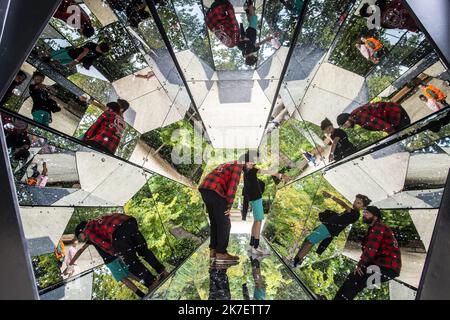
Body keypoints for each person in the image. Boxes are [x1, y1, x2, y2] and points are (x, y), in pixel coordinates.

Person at [72, 213, 168, 293]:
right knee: (143, 250)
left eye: (80, 237)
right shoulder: (95, 221)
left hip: (118, 233)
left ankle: (152, 283)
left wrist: (117, 252)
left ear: (82, 231)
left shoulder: (88, 230)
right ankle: (163, 271)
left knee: (131, 262)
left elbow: (103, 243)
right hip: (129, 222)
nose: (82, 240)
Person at [334, 206, 402, 300]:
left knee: (356, 280)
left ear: (375, 217)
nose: (364, 214)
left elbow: (371, 249)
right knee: (355, 280)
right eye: (364, 212)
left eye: (367, 213)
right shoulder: (375, 227)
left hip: (386, 267)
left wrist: (360, 264)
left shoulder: (379, 227)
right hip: (384, 267)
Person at [199, 154, 254, 264]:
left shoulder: (229, 163)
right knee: (225, 223)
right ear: (247, 162)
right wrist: (228, 206)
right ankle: (221, 253)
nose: (252, 167)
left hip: (205, 188)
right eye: (252, 164)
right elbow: (232, 187)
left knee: (215, 222)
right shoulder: (239, 165)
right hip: (215, 190)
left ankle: (213, 251)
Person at [292, 192, 372, 268]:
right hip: (326, 226)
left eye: (359, 203)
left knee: (310, 242)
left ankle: (296, 261)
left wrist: (331, 196)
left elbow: (343, 204)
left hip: (328, 228)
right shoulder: (351, 212)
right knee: (308, 240)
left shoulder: (356, 214)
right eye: (355, 201)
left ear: (363, 207)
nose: (355, 203)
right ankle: (297, 259)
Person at [243, 159, 289, 255]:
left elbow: (266, 171)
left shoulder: (246, 172)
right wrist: (281, 176)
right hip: (256, 198)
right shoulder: (250, 170)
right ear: (245, 163)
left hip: (254, 198)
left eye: (253, 162)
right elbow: (267, 171)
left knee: (256, 221)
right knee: (259, 221)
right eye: (250, 162)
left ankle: (252, 245)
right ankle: (256, 247)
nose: (252, 164)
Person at [237, 1, 277, 66]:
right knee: (251, 19)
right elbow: (260, 43)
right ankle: (247, 10)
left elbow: (244, 54)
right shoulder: (252, 49)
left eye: (253, 57)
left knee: (254, 17)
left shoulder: (247, 51)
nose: (254, 55)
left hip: (251, 31)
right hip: (251, 31)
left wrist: (247, 54)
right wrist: (269, 38)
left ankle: (249, 4)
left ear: (251, 57)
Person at [337, 102, 411, 134]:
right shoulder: (355, 115)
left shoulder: (360, 117)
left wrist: (394, 138)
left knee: (409, 131)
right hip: (395, 113)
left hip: (397, 115)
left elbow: (386, 127)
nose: (346, 127)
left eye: (344, 125)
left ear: (348, 118)